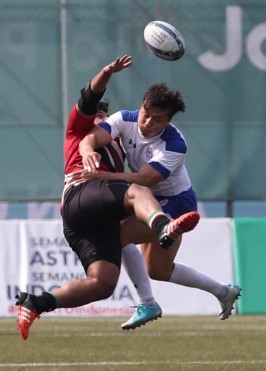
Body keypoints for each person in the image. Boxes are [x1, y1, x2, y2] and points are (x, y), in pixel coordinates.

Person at [15, 55, 200, 340]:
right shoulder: (79, 129)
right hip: (81, 194)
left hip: (87, 221)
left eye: (102, 119)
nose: (99, 123)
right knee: (137, 194)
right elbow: (90, 97)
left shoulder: (126, 140)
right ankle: (163, 226)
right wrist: (106, 72)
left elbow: (142, 173)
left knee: (102, 284)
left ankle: (36, 303)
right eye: (96, 118)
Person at [78, 82, 241, 328]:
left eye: (157, 119)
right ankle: (222, 292)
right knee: (158, 270)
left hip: (175, 203)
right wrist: (87, 150)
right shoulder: (124, 119)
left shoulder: (175, 145)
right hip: (146, 199)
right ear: (141, 106)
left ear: (168, 121)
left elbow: (145, 178)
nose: (147, 122)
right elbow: (89, 137)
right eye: (146, 114)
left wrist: (105, 177)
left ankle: (146, 303)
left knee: (114, 234)